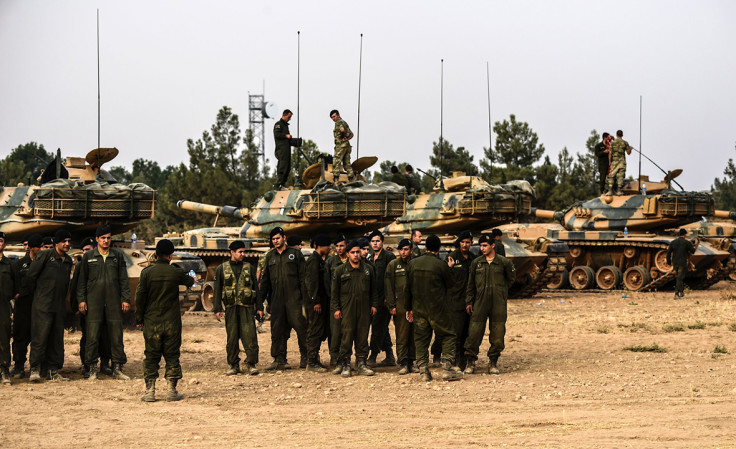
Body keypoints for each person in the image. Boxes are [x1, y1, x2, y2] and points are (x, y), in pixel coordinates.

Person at [135, 239, 195, 402]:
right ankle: (171, 390)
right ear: (170, 255)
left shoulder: (146, 273)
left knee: (151, 356)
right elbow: (190, 281)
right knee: (172, 355)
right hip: (172, 323)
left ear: (155, 254)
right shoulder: (175, 272)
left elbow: (140, 297)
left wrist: (139, 318)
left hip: (152, 322)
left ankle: (150, 391)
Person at [404, 234, 463, 382]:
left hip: (418, 308)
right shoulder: (440, 265)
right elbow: (451, 284)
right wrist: (450, 268)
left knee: (421, 339)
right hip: (438, 309)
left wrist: (408, 308)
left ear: (425, 247)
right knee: (448, 334)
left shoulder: (412, 263)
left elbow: (407, 288)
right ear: (439, 248)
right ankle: (447, 367)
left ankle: (423, 370)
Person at [77, 225, 131, 381]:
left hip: (113, 302)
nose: (106, 241)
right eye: (103, 238)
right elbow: (82, 281)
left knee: (116, 335)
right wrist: (81, 300)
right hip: (94, 302)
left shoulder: (117, 256)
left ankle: (117, 368)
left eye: (108, 238)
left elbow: (123, 279)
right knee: (92, 336)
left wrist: (126, 299)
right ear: (97, 239)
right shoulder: (88, 257)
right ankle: (92, 369)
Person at [464, 234, 516, 375]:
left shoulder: (504, 262)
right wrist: (469, 301)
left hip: (498, 304)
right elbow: (471, 285)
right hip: (480, 303)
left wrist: (501, 292)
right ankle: (470, 361)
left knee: (498, 333)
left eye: (485, 245)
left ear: (492, 245)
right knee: (474, 333)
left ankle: (493, 362)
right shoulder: (477, 263)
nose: (482, 248)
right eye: (481, 246)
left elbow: (511, 280)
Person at [258, 227, 309, 370]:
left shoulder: (295, 254)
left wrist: (306, 300)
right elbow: (265, 281)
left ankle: (307, 358)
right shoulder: (270, 256)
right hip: (277, 300)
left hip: (295, 299)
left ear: (284, 238)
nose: (275, 241)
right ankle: (279, 359)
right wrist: (260, 302)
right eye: (273, 239)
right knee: (277, 330)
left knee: (302, 328)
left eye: (277, 238)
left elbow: (303, 278)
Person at [26, 229, 73, 382]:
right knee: (40, 337)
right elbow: (31, 276)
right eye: (64, 241)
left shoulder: (68, 260)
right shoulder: (45, 255)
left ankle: (53, 370)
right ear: (56, 243)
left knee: (56, 338)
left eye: (68, 241)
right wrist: (40, 296)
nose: (67, 244)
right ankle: (35, 369)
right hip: (43, 304)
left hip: (58, 305)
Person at [213, 241, 262, 376]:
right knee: (232, 337)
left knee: (250, 335)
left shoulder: (249, 267)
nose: (243, 254)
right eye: (240, 252)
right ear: (232, 253)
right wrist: (217, 309)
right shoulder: (221, 269)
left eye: (243, 251)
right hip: (231, 307)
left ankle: (251, 364)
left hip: (246, 307)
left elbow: (256, 289)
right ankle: (234, 365)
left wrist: (259, 307)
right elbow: (217, 290)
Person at [331, 240, 378, 377]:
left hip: (364, 309)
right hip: (347, 309)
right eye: (353, 252)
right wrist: (336, 309)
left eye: (358, 252)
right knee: (346, 336)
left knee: (362, 336)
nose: (356, 255)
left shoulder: (368, 269)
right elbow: (334, 293)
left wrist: (374, 305)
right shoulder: (340, 270)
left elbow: (374, 290)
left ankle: (361, 363)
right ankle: (345, 364)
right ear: (348, 254)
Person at [431, 231, 475, 370]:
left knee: (467, 333)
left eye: (467, 242)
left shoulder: (474, 259)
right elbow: (441, 278)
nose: (465, 245)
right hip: (454, 302)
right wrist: (448, 268)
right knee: (454, 333)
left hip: (470, 302)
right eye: (462, 242)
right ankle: (452, 361)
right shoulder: (451, 258)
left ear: (471, 243)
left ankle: (464, 361)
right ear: (459, 243)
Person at [68, 236, 111, 378]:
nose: (87, 252)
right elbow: (75, 287)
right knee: (88, 337)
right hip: (87, 307)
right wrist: (76, 306)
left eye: (89, 249)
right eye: (84, 250)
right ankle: (86, 364)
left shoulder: (105, 260)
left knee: (106, 336)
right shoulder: (82, 264)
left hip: (105, 305)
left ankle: (105, 363)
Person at [10, 234, 43, 379]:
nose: (41, 249)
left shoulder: (44, 263)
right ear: (32, 247)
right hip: (23, 305)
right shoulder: (19, 264)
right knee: (20, 337)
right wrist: (16, 294)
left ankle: (37, 367)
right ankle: (18, 367)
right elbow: (13, 282)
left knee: (38, 337)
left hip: (39, 305)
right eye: (39, 247)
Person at [385, 238, 416, 374]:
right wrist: (392, 306)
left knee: (414, 335)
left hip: (415, 306)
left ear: (411, 250)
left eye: (406, 249)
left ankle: (411, 361)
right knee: (402, 335)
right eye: (401, 249)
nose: (403, 252)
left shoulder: (415, 264)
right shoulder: (393, 265)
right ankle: (403, 362)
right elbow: (388, 287)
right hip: (400, 305)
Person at [366, 230, 396, 367]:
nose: (375, 243)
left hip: (384, 300)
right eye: (373, 241)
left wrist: (389, 298)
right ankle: (389, 356)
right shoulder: (368, 257)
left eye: (377, 241)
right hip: (373, 299)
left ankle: (372, 357)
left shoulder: (389, 257)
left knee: (378, 328)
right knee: (382, 328)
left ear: (382, 242)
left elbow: (391, 278)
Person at [304, 234, 332, 372]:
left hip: (321, 301)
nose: (329, 248)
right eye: (328, 246)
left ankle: (314, 359)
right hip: (315, 303)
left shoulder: (320, 260)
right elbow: (311, 282)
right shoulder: (313, 261)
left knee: (319, 329)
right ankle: (311, 362)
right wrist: (315, 301)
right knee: (314, 330)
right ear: (321, 246)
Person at [324, 234, 348, 366]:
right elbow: (327, 283)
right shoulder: (330, 262)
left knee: (348, 331)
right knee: (335, 331)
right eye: (337, 246)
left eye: (342, 246)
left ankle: (345, 357)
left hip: (349, 301)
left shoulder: (351, 259)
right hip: (335, 301)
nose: (339, 249)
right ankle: (334, 356)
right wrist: (333, 300)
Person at [0, 232, 16, 385]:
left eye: (0, 241)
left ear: (4, 244)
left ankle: (5, 370)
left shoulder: (10, 264)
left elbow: (16, 286)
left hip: (3, 306)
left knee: (3, 338)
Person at [667, 229, 696, 299]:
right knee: (679, 278)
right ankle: (676, 294)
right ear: (685, 235)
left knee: (678, 277)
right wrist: (694, 245)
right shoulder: (686, 242)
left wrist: (669, 262)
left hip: (675, 262)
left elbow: (668, 253)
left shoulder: (673, 242)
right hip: (682, 263)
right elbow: (693, 251)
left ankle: (681, 292)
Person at [329, 109, 355, 183]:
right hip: (347, 146)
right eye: (332, 117)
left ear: (338, 115)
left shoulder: (338, 122)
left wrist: (343, 137)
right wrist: (347, 139)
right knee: (347, 163)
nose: (333, 119)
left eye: (334, 116)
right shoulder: (344, 122)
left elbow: (342, 130)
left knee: (336, 161)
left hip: (340, 145)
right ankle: (351, 180)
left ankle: (336, 181)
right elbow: (352, 134)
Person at [606, 129, 633, 196]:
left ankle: (610, 191)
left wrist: (609, 162)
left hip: (615, 161)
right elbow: (628, 153)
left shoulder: (613, 142)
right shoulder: (625, 143)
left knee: (612, 176)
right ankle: (619, 191)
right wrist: (630, 149)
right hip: (622, 162)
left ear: (616, 135)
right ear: (622, 135)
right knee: (620, 176)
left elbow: (610, 153)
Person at [274, 109, 294, 189]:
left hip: (286, 149)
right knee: (282, 166)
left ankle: (282, 184)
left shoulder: (285, 125)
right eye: (289, 117)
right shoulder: (278, 124)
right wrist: (286, 136)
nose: (289, 119)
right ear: (284, 115)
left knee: (287, 166)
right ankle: (278, 184)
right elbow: (277, 134)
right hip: (281, 149)